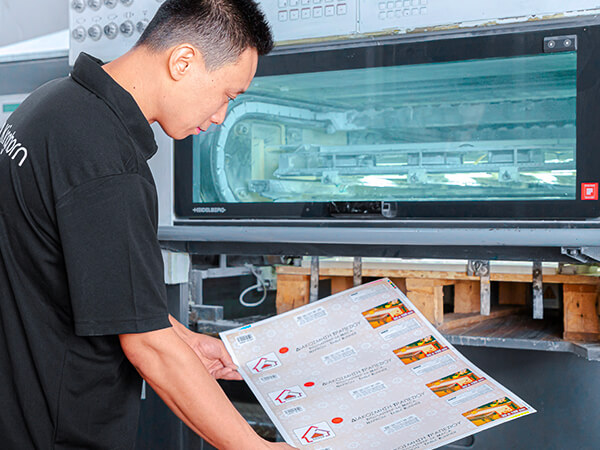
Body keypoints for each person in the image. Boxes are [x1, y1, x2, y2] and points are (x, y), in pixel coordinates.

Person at [0, 0, 295, 448]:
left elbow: (96, 288)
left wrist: (184, 340)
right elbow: (148, 347)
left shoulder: (51, 105)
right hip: (58, 429)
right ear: (183, 61)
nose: (219, 118)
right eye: (227, 96)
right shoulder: (108, 164)